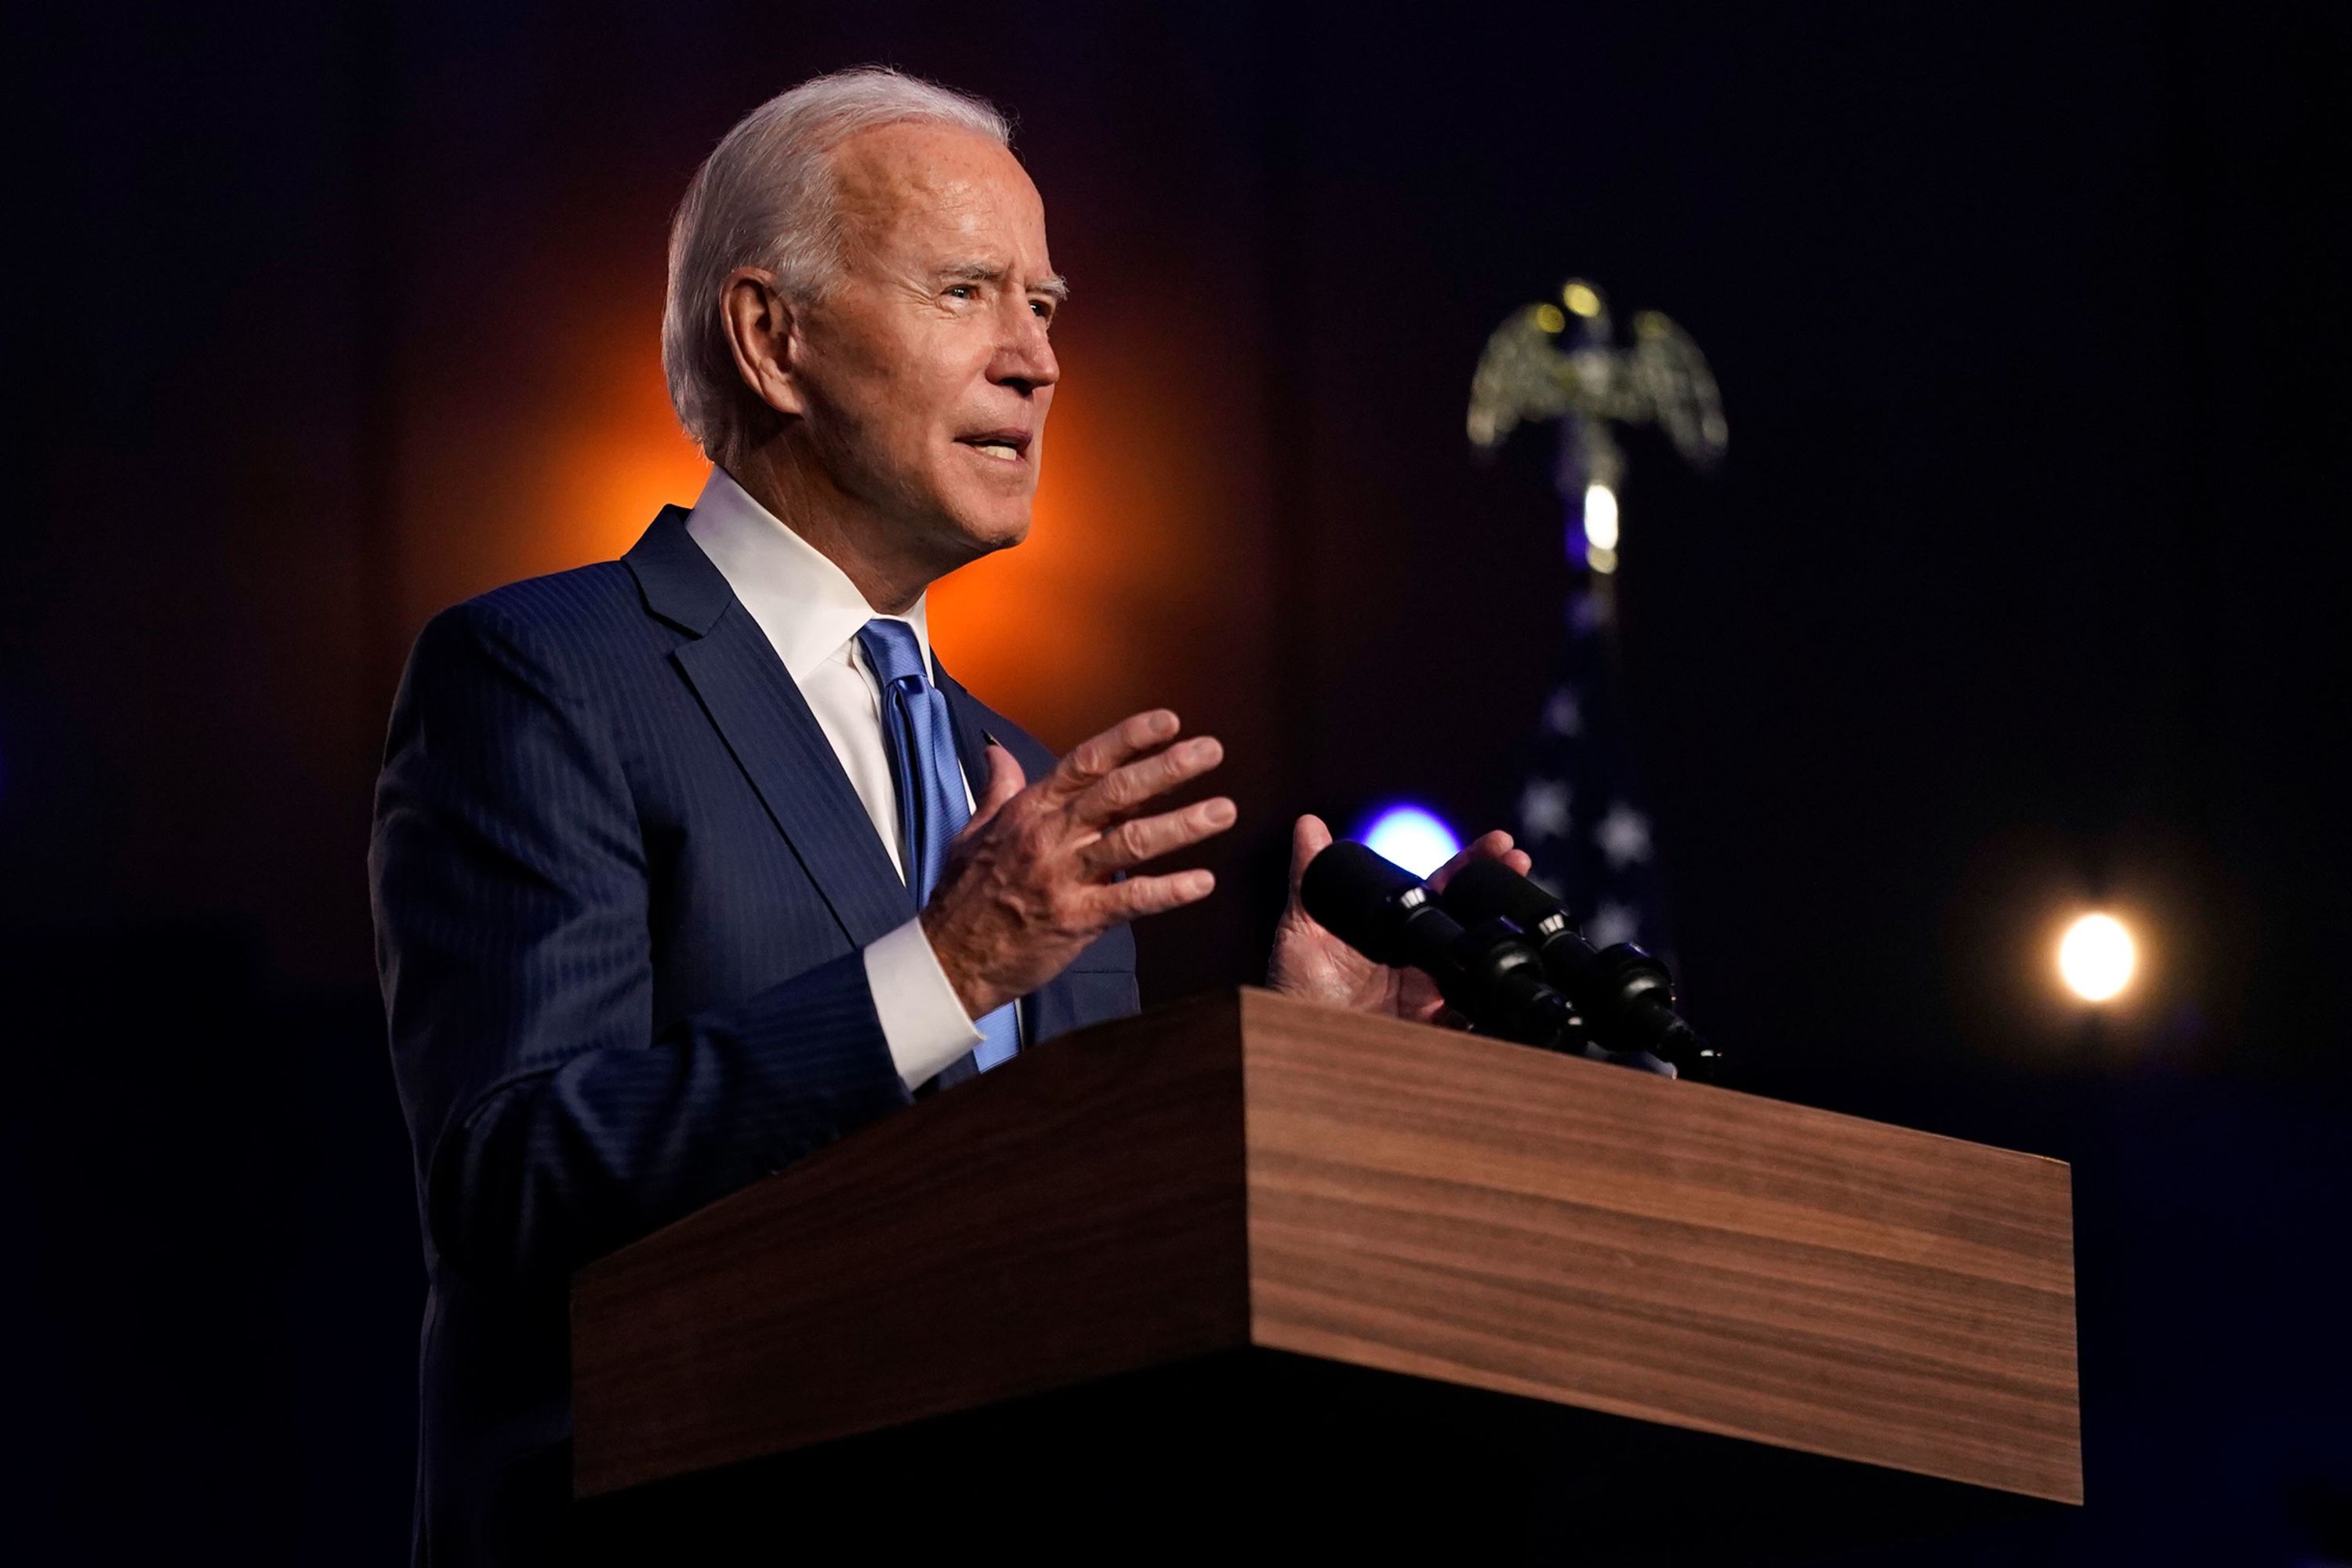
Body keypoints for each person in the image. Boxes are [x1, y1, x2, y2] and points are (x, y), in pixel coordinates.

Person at [368, 66, 1530, 1566]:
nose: (1036, 361)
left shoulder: (1029, 793)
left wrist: (1310, 1095)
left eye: (1046, 306)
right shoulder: (546, 677)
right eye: (969, 291)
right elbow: (515, 1185)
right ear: (772, 339)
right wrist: (953, 965)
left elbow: (1078, 1258)